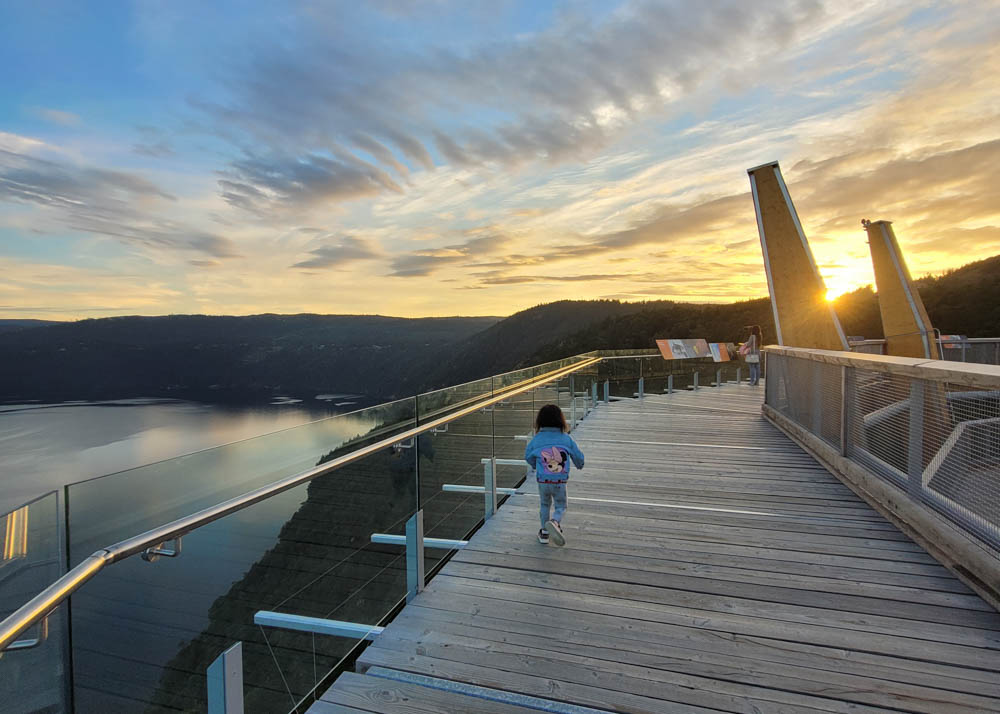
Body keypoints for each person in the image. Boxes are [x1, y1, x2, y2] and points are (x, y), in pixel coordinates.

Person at [524, 404, 585, 546]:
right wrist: (579, 465)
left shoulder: (537, 439)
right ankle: (555, 521)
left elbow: (528, 456)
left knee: (544, 504)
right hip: (559, 481)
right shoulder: (566, 439)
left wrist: (536, 465)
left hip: (543, 480)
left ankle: (544, 532)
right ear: (560, 420)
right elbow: (578, 457)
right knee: (561, 506)